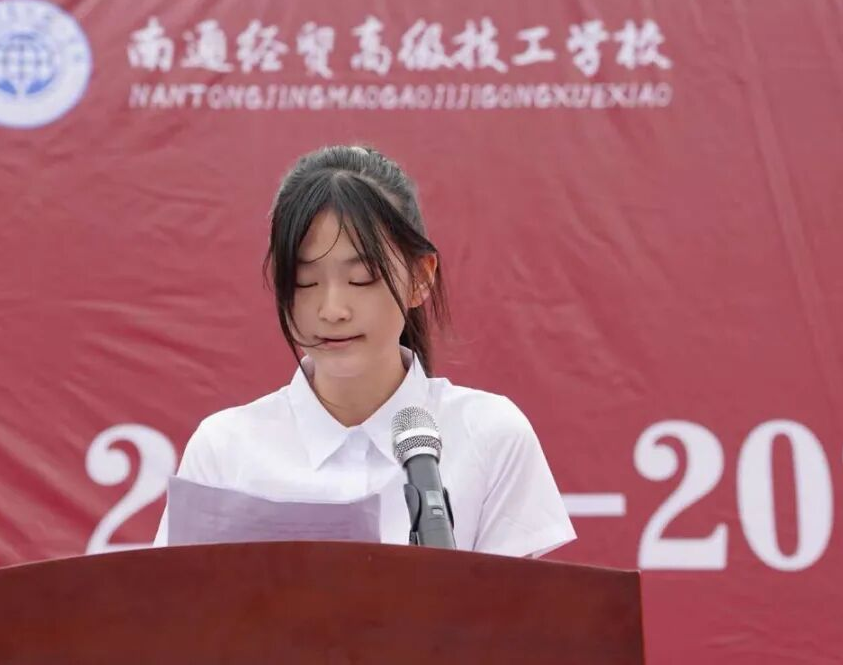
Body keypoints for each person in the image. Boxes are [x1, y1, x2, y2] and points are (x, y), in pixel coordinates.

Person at [153, 144, 575, 558]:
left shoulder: (489, 434)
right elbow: (183, 602)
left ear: (420, 277)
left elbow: (516, 604)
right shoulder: (226, 449)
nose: (332, 310)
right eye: (305, 281)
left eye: (361, 278)